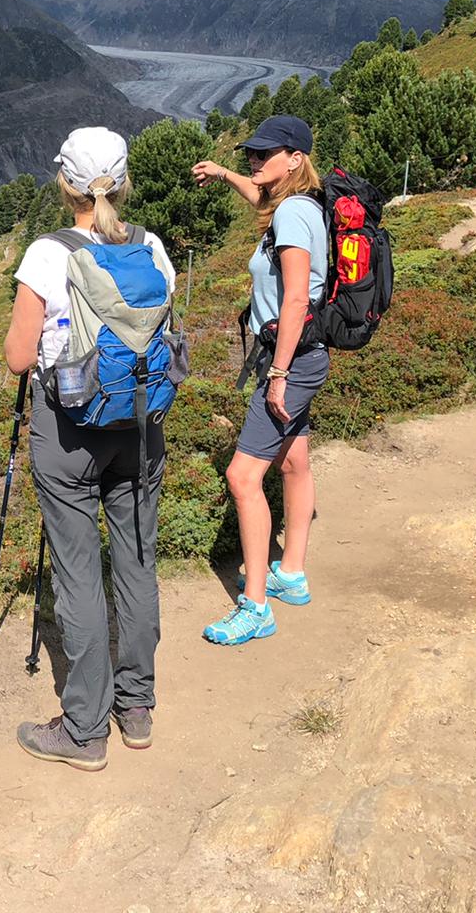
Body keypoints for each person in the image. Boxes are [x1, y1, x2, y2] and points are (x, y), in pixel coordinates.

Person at [3, 127, 177, 770]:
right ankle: (136, 708)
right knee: (136, 561)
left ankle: (84, 730)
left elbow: (20, 356)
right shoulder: (152, 247)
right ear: (124, 181)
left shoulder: (47, 254)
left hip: (70, 428)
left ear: (65, 183)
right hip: (139, 422)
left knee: (79, 574)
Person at [191, 114, 328, 646]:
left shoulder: (292, 214)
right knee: (293, 460)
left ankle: (255, 607)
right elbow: (260, 199)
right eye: (252, 152)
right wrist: (227, 174)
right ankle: (290, 573)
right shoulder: (302, 204)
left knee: (243, 478)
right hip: (308, 355)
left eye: (266, 153)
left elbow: (295, 298)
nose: (255, 158)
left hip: (289, 360)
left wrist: (277, 373)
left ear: (294, 158)